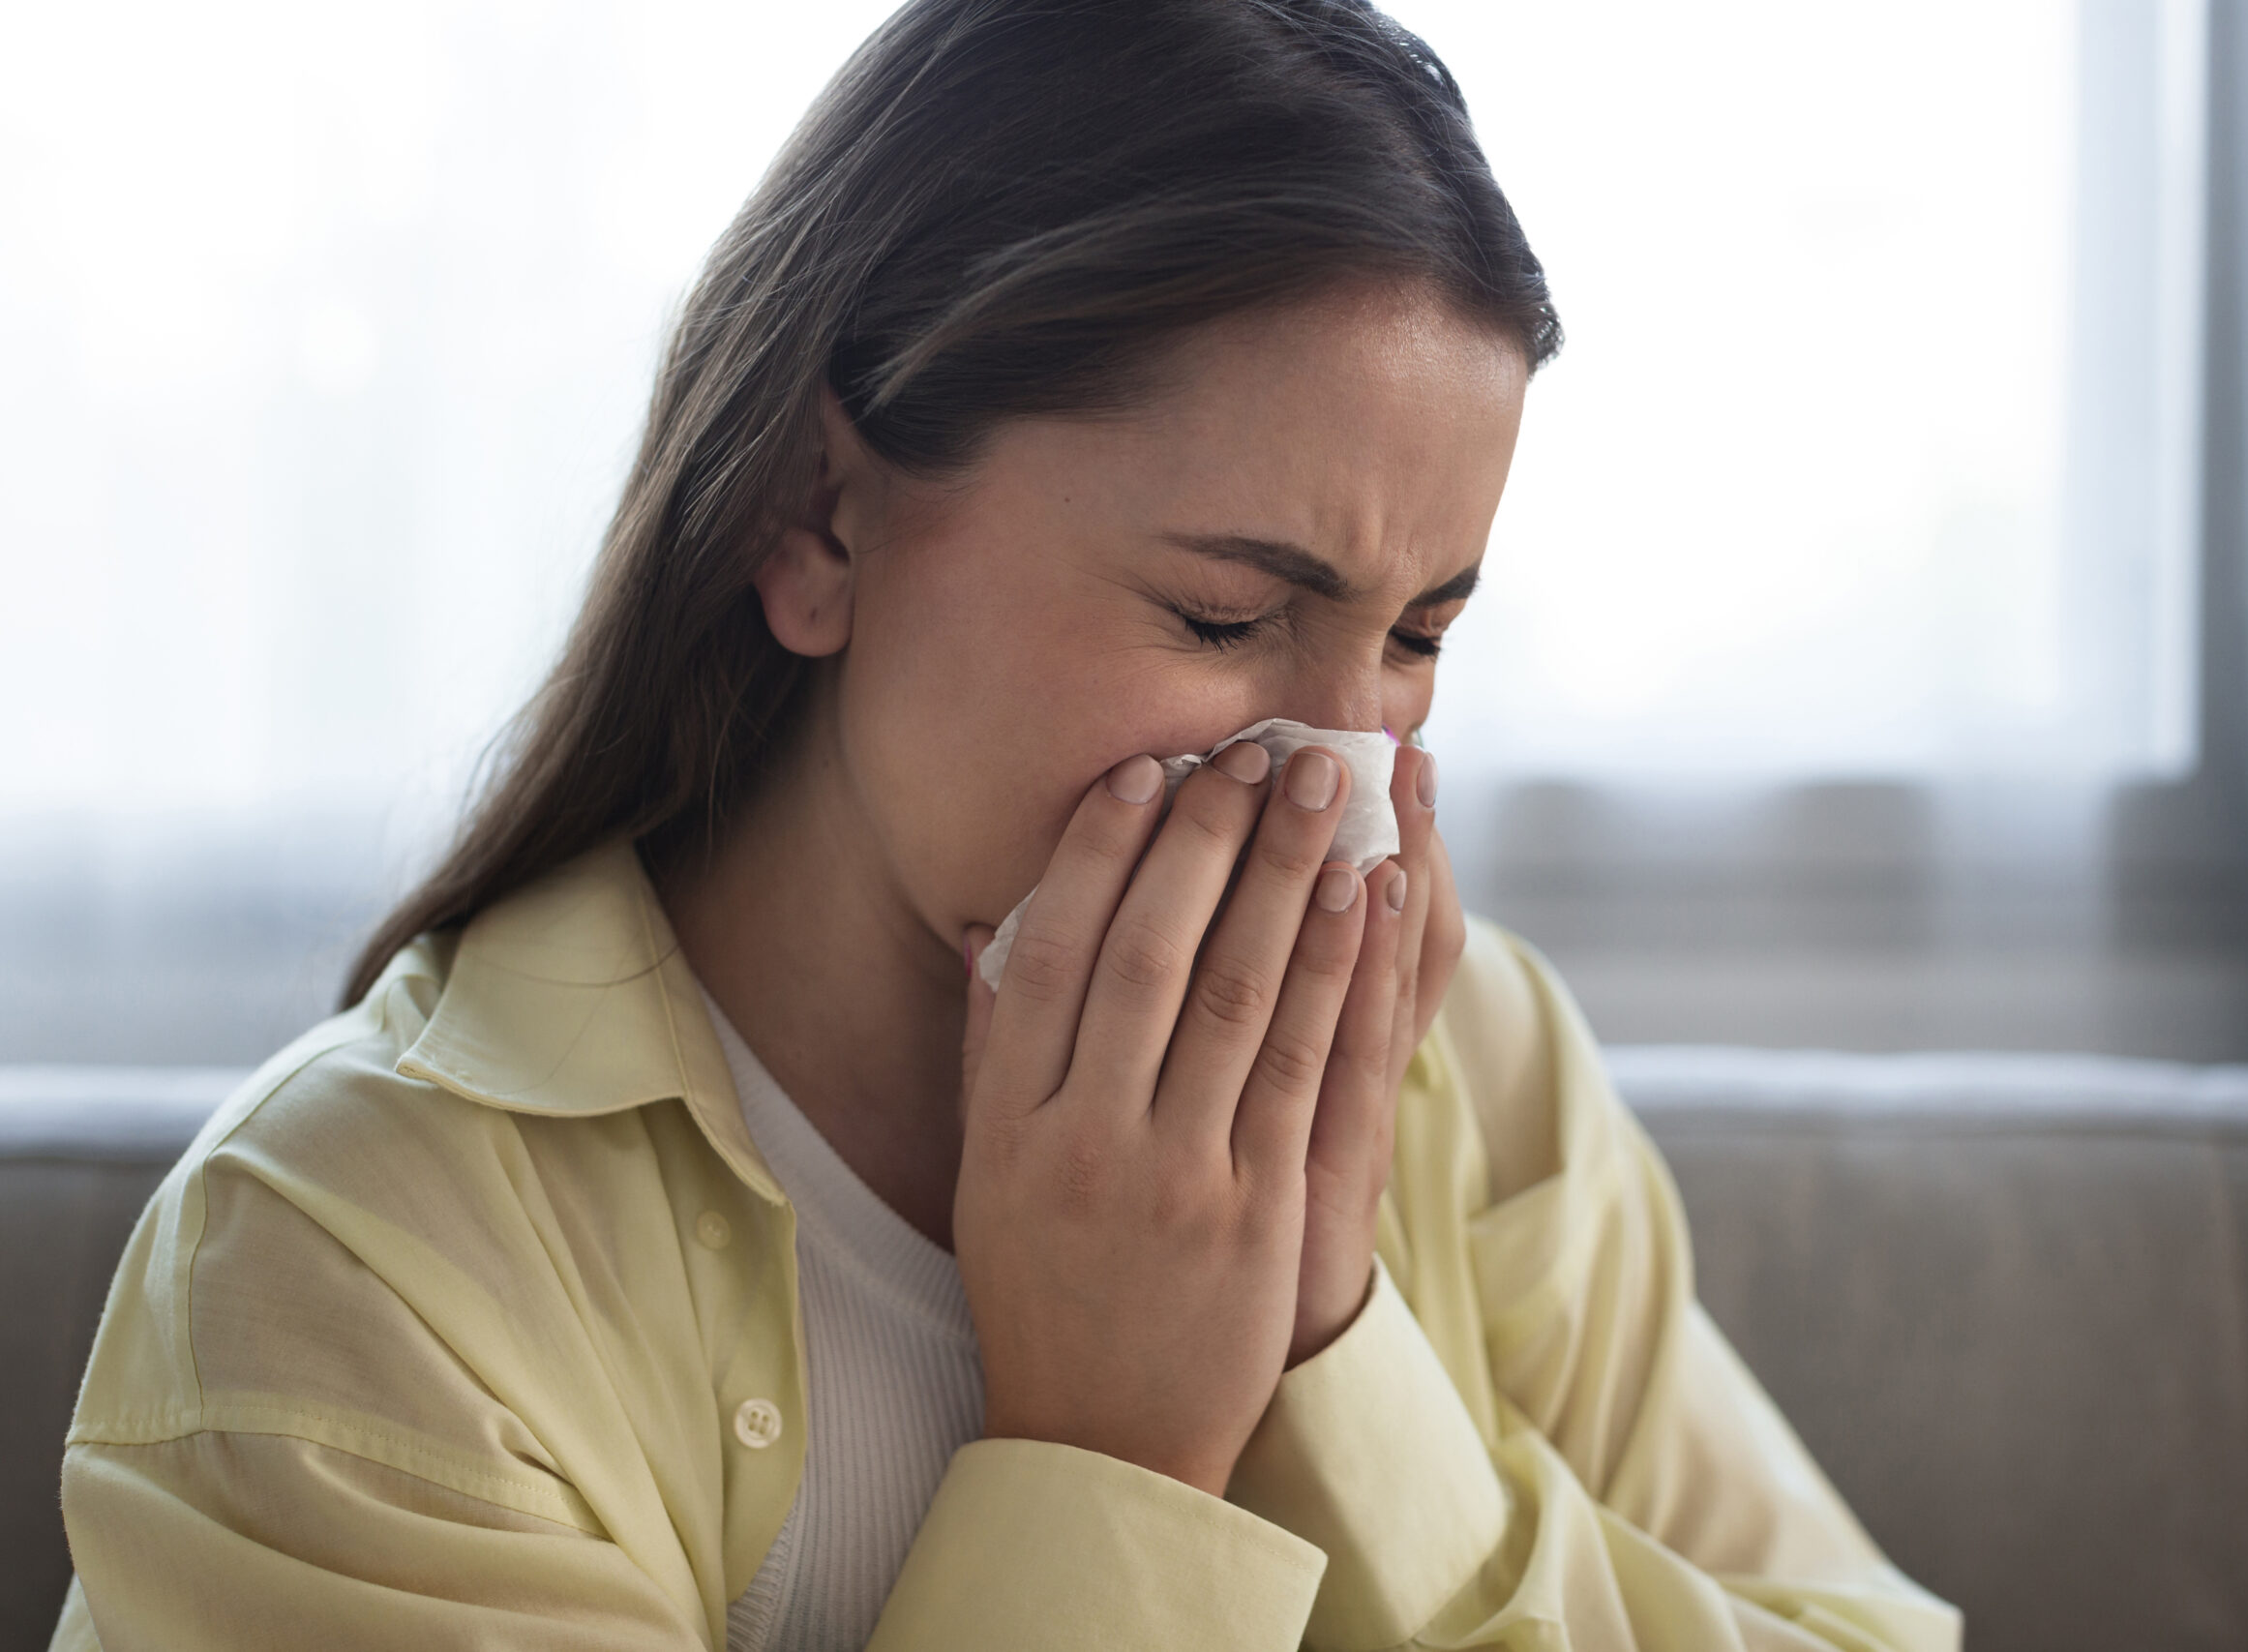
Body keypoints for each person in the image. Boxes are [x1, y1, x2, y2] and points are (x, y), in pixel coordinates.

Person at [52, 2, 1963, 1647]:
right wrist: (1110, 1459)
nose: (1338, 769)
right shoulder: (353, 1278)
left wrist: (1334, 1348)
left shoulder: (1483, 1073)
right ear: (817, 515)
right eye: (1220, 616)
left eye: (1416, 637)